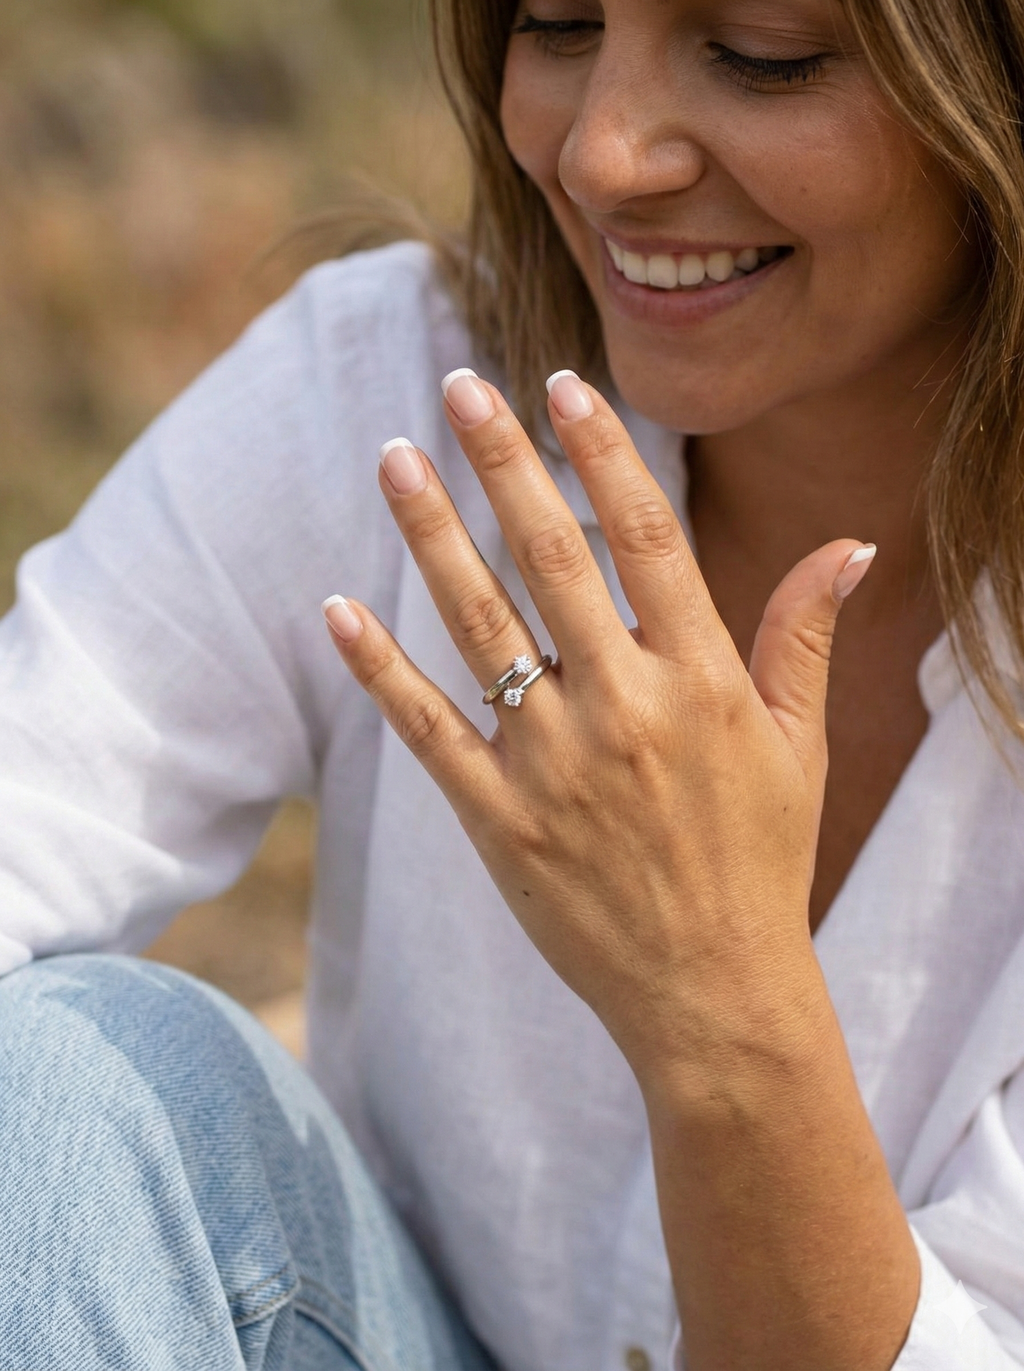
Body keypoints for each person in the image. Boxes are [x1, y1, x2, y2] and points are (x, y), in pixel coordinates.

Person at [1, 0, 1023, 1367]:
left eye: (764, 53)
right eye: (556, 26)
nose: (600, 154)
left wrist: (723, 1005)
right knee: (71, 1081)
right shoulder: (400, 381)